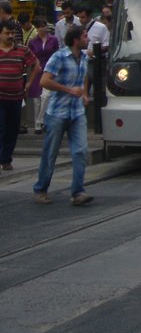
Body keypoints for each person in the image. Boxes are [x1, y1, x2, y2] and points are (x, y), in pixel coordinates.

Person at [32, 24, 93, 206]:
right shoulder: (58, 57)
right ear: (76, 40)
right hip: (58, 112)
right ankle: (41, 189)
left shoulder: (84, 57)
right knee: (50, 153)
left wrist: (84, 93)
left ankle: (77, 192)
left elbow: (84, 77)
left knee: (81, 151)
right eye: (85, 36)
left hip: (77, 112)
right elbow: (44, 81)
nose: (88, 39)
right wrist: (68, 89)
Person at [0, 22, 41, 171]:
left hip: (16, 98)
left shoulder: (22, 50)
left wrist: (29, 83)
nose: (10, 36)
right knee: (1, 128)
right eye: (7, 33)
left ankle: (6, 160)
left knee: (12, 130)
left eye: (12, 33)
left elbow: (36, 65)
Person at [27, 17, 58, 133]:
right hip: (37, 69)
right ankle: (37, 124)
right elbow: (30, 56)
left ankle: (44, 121)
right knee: (36, 100)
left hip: (49, 69)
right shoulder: (32, 42)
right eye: (39, 26)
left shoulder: (53, 39)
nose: (41, 28)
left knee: (47, 96)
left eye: (43, 26)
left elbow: (56, 53)